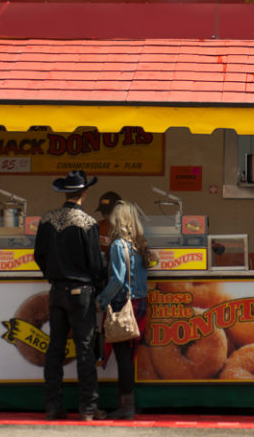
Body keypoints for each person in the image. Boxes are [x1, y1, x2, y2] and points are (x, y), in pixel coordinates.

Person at [33, 169, 107, 422]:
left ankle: (53, 406)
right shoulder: (88, 224)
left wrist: (53, 275)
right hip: (81, 292)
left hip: (56, 291)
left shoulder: (47, 220)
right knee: (85, 349)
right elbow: (96, 264)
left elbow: (38, 257)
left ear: (64, 192)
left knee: (55, 348)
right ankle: (88, 408)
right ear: (84, 192)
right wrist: (98, 288)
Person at [96, 200, 150, 420]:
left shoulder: (118, 245)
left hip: (122, 304)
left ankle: (126, 407)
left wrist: (101, 300)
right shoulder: (141, 244)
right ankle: (128, 405)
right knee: (130, 355)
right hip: (141, 304)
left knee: (123, 356)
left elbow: (118, 280)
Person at [94, 190, 121, 255]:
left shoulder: (125, 228)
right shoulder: (97, 226)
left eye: (108, 212)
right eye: (103, 212)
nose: (105, 215)